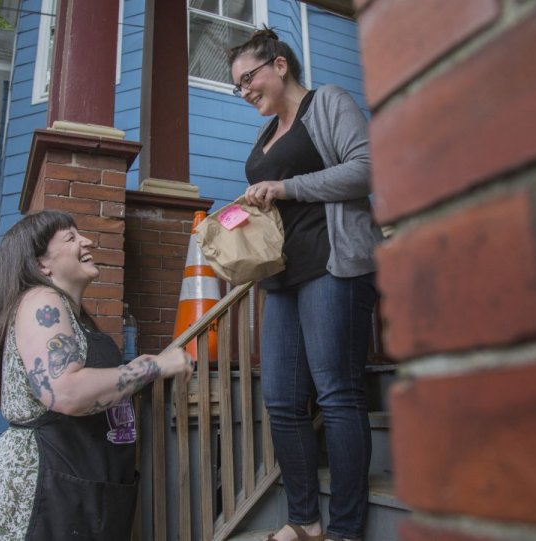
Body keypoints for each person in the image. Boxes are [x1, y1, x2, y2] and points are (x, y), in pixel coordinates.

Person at [228, 28, 384, 541]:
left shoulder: (328, 102)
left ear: (280, 64)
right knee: (281, 399)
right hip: (283, 279)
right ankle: (304, 521)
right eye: (237, 86)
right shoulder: (267, 133)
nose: (245, 90)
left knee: (337, 394)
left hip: (333, 268)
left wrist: (286, 186)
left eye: (248, 78)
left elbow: (364, 170)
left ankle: (344, 528)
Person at [0, 210, 194, 540]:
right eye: (70, 238)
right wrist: (154, 366)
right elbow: (65, 390)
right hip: (45, 491)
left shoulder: (72, 315)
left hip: (77, 487)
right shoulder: (43, 300)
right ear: (42, 265)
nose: (87, 240)